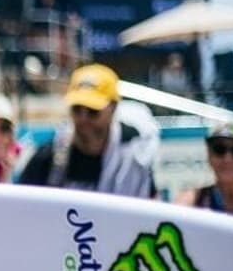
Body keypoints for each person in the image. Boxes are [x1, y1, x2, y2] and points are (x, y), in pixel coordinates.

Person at [18, 64, 157, 198]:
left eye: (93, 112)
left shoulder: (132, 157)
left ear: (113, 108)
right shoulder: (49, 158)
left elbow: (150, 205)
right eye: (77, 109)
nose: (83, 119)